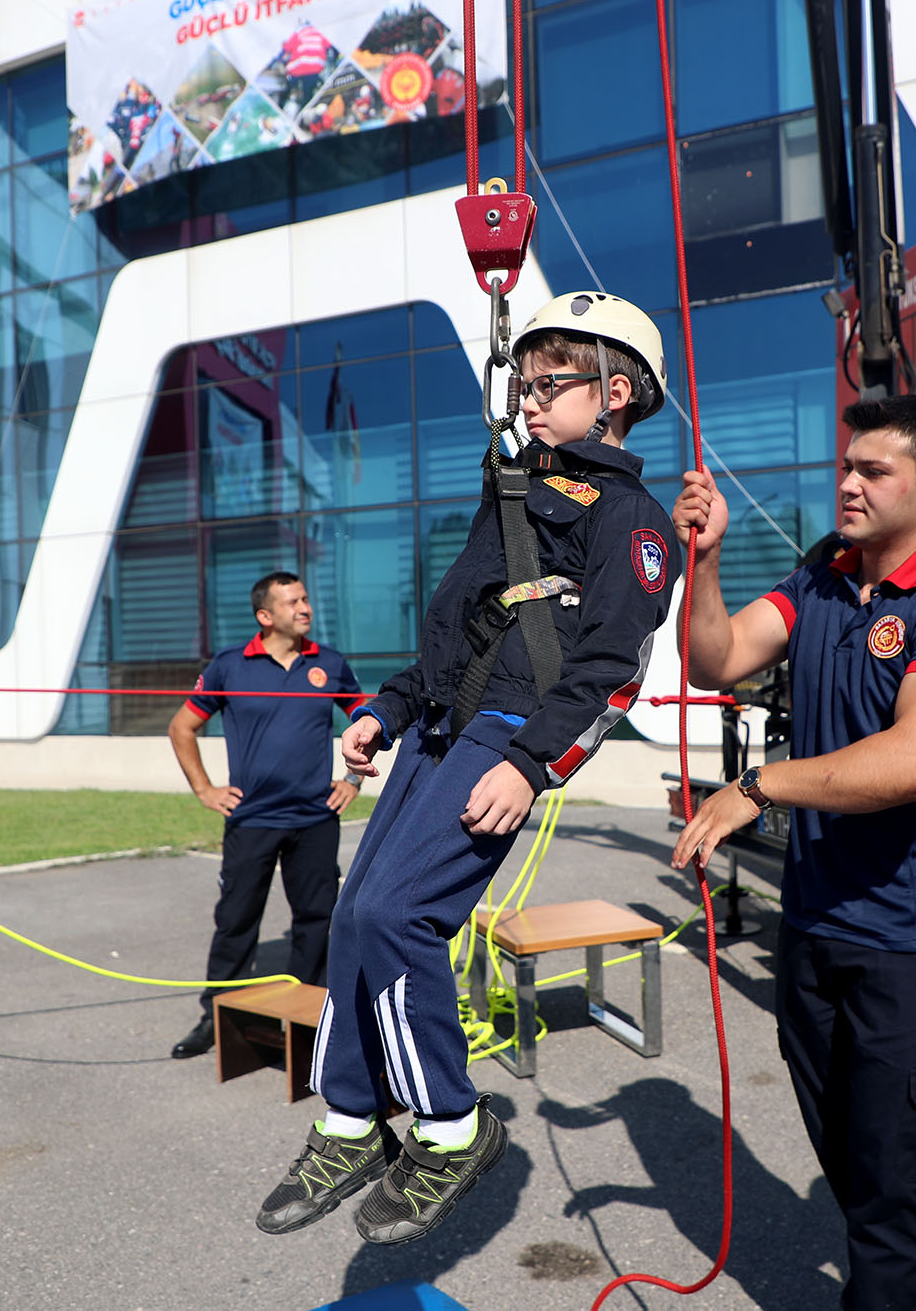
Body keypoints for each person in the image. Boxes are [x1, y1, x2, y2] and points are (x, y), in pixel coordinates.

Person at [254, 291, 679, 1246]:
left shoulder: (633, 522)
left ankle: (451, 1126)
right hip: (443, 726)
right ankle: (351, 1121)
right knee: (358, 919)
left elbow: (612, 677)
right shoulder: (514, 490)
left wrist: (531, 765)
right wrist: (388, 708)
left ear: (615, 393)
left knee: (400, 915)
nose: (528, 396)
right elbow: (460, 629)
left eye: (550, 381)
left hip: (506, 736)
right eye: (523, 380)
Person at [670, 394, 916, 1311]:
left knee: (891, 1199)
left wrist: (760, 784)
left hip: (915, 944)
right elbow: (715, 657)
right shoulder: (822, 579)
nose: (847, 483)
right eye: (846, 465)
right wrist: (701, 563)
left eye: (873, 471)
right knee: (868, 1183)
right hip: (816, 928)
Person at [166, 571, 366, 1060]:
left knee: (317, 921)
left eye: (305, 599)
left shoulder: (330, 664)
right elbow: (181, 727)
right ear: (265, 615)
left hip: (315, 819)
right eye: (292, 601)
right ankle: (215, 1017)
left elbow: (368, 720)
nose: (305, 608)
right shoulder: (229, 667)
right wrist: (204, 789)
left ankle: (310, 1021)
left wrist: (353, 779)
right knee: (235, 921)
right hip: (251, 819)